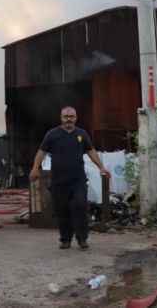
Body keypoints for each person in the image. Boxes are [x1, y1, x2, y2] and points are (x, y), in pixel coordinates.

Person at [29, 106, 111, 250]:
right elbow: (41, 152)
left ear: (76, 118)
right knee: (62, 211)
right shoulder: (52, 134)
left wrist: (101, 167)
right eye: (66, 117)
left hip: (78, 180)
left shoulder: (81, 134)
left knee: (80, 206)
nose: (68, 119)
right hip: (59, 181)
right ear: (61, 118)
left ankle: (82, 239)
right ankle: (65, 239)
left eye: (71, 116)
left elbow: (91, 151)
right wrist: (35, 168)